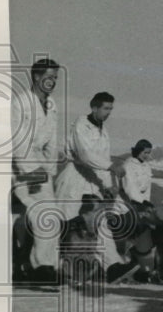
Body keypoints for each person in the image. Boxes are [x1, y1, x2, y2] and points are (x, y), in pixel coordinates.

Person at [53, 91, 125, 274]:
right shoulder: (81, 124)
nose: (108, 112)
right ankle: (54, 267)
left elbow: (102, 159)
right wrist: (111, 166)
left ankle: (112, 266)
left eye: (111, 109)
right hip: (74, 179)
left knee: (100, 222)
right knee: (66, 223)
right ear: (94, 107)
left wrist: (108, 185)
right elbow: (85, 155)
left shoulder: (104, 131)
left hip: (93, 180)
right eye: (105, 108)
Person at [10, 58, 62, 282]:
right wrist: (32, 170)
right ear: (36, 77)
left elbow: (52, 143)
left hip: (42, 168)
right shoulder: (21, 103)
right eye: (49, 77)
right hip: (21, 167)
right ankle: (42, 267)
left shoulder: (52, 105)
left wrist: (49, 170)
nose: (52, 82)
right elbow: (18, 142)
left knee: (50, 216)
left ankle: (42, 266)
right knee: (43, 213)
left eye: (56, 78)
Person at [119, 138, 160, 283]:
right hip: (127, 205)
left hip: (141, 205)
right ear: (138, 150)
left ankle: (142, 268)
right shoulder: (128, 165)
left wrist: (146, 204)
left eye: (149, 153)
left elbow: (147, 187)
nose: (146, 155)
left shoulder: (146, 167)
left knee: (144, 235)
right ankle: (124, 266)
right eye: (145, 152)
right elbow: (130, 187)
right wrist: (140, 203)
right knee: (129, 236)